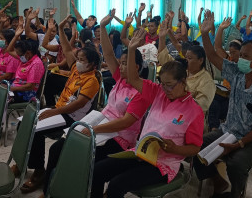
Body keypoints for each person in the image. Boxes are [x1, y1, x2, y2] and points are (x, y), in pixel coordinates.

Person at [38, 11, 148, 198]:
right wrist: (103, 27)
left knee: (85, 159)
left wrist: (95, 129)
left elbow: (125, 123)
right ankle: (49, 190)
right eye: (120, 64)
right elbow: (108, 54)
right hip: (99, 124)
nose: (120, 67)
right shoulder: (120, 80)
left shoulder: (141, 92)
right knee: (57, 148)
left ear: (136, 67)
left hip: (119, 138)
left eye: (125, 64)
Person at [91, 28, 204, 198]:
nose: (166, 89)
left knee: (116, 185)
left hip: (162, 163)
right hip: (141, 154)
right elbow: (133, 78)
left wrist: (176, 148)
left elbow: (195, 148)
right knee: (97, 170)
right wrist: (130, 50)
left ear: (183, 81)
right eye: (163, 84)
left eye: (170, 85)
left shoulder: (194, 111)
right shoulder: (158, 92)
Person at [194, 10, 252, 198]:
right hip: (229, 130)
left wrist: (239, 143)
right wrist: (206, 34)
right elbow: (213, 56)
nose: (239, 60)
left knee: (236, 163)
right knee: (195, 146)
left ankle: (236, 193)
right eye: (240, 55)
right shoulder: (237, 74)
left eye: (245, 57)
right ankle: (218, 182)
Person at [15, 15, 100, 193]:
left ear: (92, 64)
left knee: (35, 130)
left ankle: (39, 172)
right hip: (60, 110)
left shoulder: (92, 81)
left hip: (71, 118)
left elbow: (76, 106)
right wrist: (61, 29)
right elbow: (68, 50)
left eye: (82, 60)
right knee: (24, 123)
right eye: (78, 59)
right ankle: (23, 162)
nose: (77, 62)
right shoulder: (77, 69)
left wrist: (52, 112)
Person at [158, 16, 215, 114]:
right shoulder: (182, 69)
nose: (186, 60)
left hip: (188, 117)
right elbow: (164, 59)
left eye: (190, 58)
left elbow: (201, 106)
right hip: (171, 110)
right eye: (186, 58)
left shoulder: (206, 80)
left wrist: (180, 100)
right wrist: (162, 38)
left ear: (200, 60)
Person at [207, 17, 241, 131]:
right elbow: (217, 47)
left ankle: (215, 128)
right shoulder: (229, 61)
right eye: (230, 52)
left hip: (235, 100)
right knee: (213, 100)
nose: (231, 55)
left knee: (217, 103)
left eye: (234, 53)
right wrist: (220, 29)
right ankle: (213, 128)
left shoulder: (244, 67)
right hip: (224, 95)